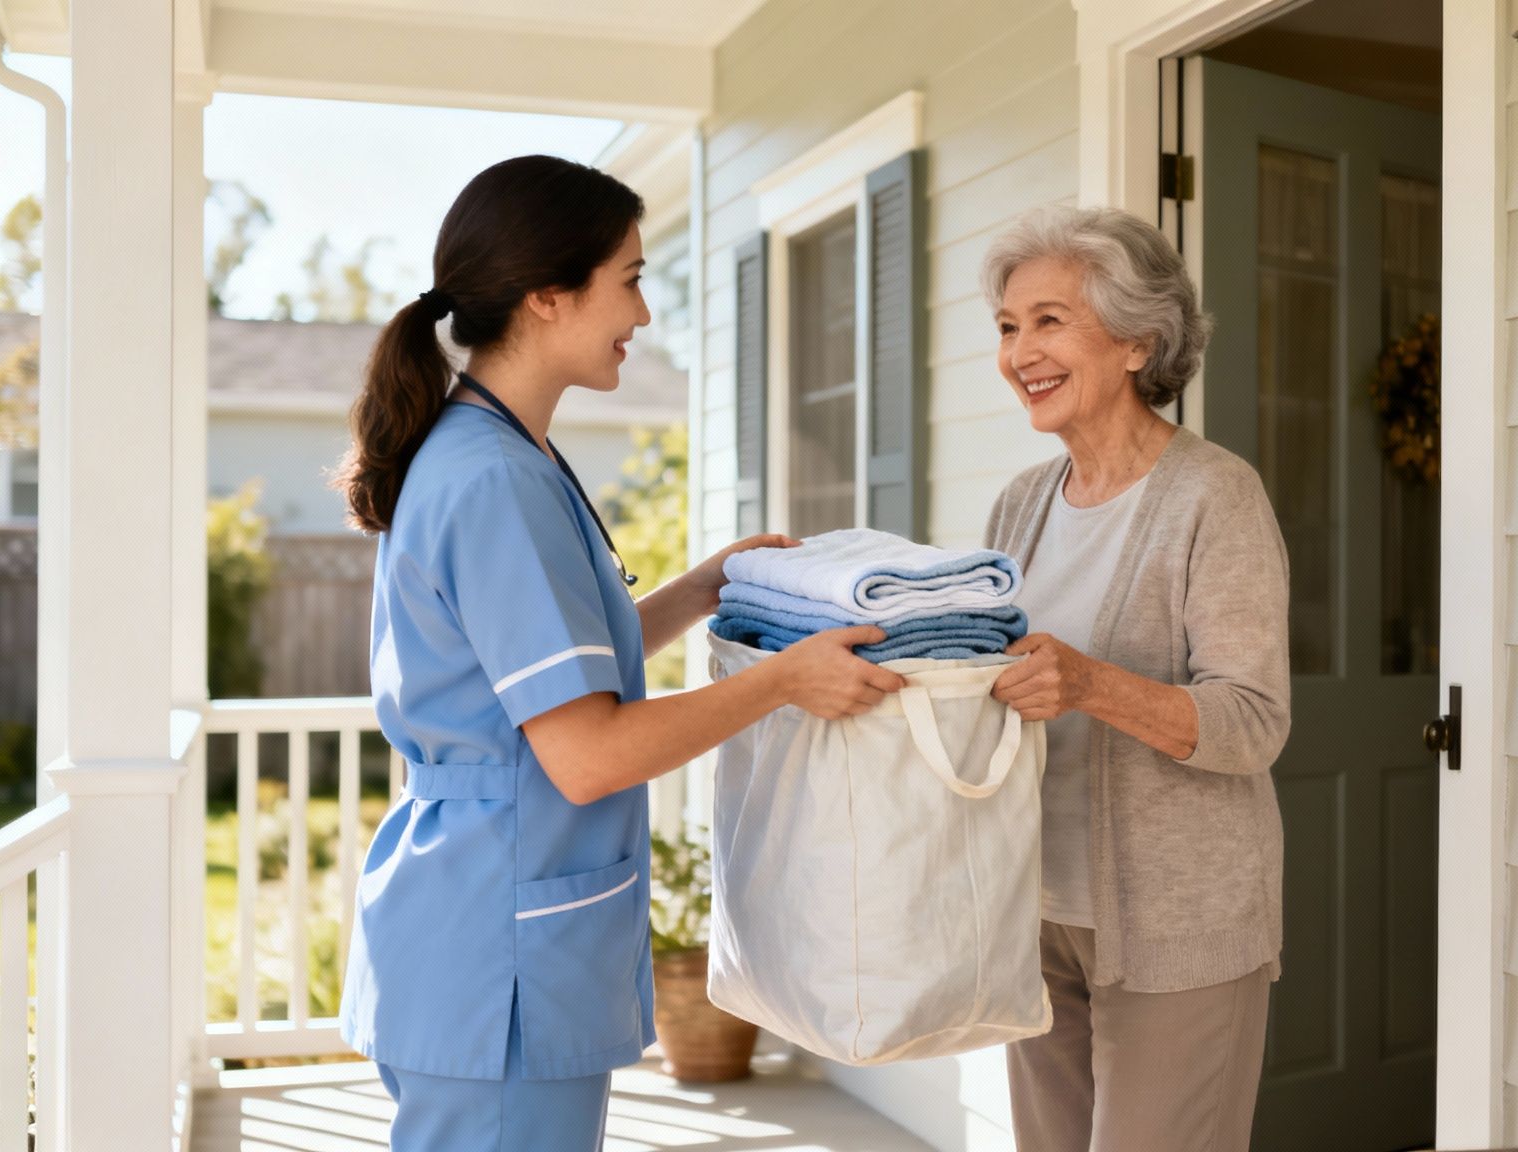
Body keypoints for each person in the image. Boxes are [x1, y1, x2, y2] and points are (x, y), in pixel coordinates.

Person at [333, 154, 904, 1152]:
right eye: (631, 279)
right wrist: (784, 681)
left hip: (486, 940)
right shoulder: (494, 480)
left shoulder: (504, 453)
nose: (643, 315)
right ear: (547, 296)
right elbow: (586, 753)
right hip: (495, 967)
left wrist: (701, 588)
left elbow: (554, 671)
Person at [980, 205, 1292, 1152]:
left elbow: (1251, 721)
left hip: (1177, 923)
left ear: (1135, 340)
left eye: (1047, 320)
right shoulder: (1020, 504)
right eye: (1006, 326)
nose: (1018, 351)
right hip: (1037, 911)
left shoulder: (1213, 494)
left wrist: (1088, 684)